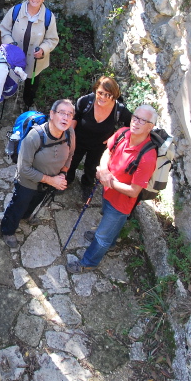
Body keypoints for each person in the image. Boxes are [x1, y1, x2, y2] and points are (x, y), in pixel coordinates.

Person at [68, 105, 159, 274]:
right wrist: (103, 170)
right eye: (135, 117)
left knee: (102, 237)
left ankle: (88, 262)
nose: (136, 122)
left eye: (142, 120)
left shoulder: (147, 157)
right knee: (107, 220)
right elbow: (107, 152)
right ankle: (111, 242)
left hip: (121, 204)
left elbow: (133, 191)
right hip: (108, 193)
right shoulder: (124, 133)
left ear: (150, 126)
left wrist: (107, 180)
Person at [0, 99, 75, 248]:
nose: (65, 118)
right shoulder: (34, 137)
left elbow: (70, 155)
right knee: (18, 205)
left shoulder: (70, 133)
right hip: (27, 181)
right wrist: (51, 180)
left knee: (35, 202)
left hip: (49, 180)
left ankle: (25, 216)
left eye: (69, 114)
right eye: (61, 113)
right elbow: (23, 169)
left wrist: (63, 173)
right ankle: (7, 230)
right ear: (52, 114)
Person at [67, 76, 134, 199]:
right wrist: (71, 137)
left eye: (108, 95)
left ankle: (87, 184)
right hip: (79, 140)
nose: (103, 97)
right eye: (100, 93)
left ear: (114, 95)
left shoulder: (119, 110)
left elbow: (131, 124)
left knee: (92, 167)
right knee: (72, 161)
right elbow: (74, 117)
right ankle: (67, 180)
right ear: (95, 90)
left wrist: (114, 138)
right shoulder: (85, 102)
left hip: (99, 145)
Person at [0, 0, 58, 111]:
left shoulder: (48, 17)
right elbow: (3, 29)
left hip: (35, 62)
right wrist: (11, 45)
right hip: (13, 58)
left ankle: (27, 103)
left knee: (31, 85)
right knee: (9, 78)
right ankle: (7, 97)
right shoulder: (16, 11)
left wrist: (43, 50)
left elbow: (52, 39)